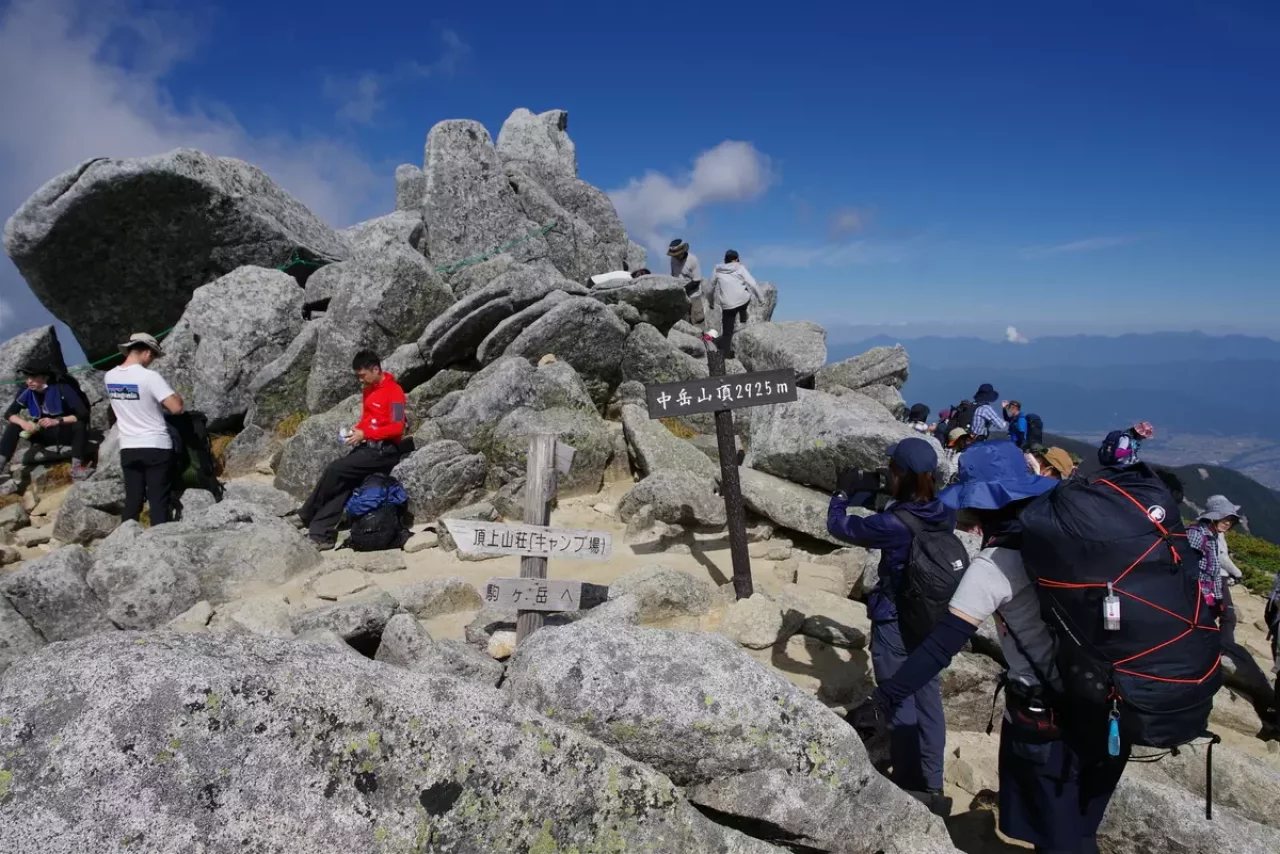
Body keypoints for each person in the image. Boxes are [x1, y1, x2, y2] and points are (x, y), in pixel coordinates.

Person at [849, 441, 1139, 854]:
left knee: (1056, 836)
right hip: (1114, 705)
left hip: (1047, 720)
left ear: (978, 504)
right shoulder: (1074, 542)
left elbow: (939, 648)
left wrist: (883, 698)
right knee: (1081, 826)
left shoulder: (993, 566)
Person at [827, 438, 955, 810]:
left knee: (899, 699)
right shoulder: (943, 512)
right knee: (928, 699)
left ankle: (909, 784)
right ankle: (933, 782)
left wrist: (842, 493)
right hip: (930, 618)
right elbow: (909, 507)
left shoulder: (893, 524)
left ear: (898, 474)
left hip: (895, 620)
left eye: (891, 469)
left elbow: (840, 527)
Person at [299, 350, 407, 550]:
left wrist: (366, 434)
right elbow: (367, 420)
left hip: (385, 451)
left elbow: (397, 427)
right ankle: (321, 535)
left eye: (363, 375)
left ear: (376, 369)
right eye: (358, 376)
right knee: (345, 484)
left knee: (335, 469)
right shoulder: (368, 390)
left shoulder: (395, 392)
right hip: (367, 447)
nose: (360, 380)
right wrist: (356, 431)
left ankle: (306, 514)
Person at [1186, 495, 1276, 727]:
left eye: (1231, 520)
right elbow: (1188, 568)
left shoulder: (1212, 535)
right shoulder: (1196, 534)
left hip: (1208, 599)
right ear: (1213, 516)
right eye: (1225, 518)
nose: (1229, 523)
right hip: (1198, 600)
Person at [104, 333, 184, 525]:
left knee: (133, 499)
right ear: (147, 352)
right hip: (156, 445)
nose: (152, 360)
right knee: (158, 500)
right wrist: (176, 396)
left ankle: (125, 537)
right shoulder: (149, 377)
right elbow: (176, 408)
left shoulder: (110, 376)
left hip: (128, 446)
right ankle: (158, 538)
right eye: (154, 356)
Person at [0, 364, 93, 481]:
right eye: (27, 377)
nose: (29, 381)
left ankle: (77, 468)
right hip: (43, 433)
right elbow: (9, 414)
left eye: (34, 377)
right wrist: (24, 423)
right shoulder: (27, 391)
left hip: (65, 433)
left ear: (45, 377)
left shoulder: (62, 388)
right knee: (14, 425)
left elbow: (83, 414)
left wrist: (57, 421)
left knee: (79, 425)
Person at [707, 250, 755, 358]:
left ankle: (726, 353)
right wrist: (761, 298)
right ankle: (743, 321)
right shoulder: (740, 267)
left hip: (727, 305)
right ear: (736, 259)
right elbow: (752, 283)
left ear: (725, 260)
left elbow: (709, 289)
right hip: (742, 302)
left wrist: (711, 302)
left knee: (727, 332)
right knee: (745, 297)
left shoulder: (718, 269)